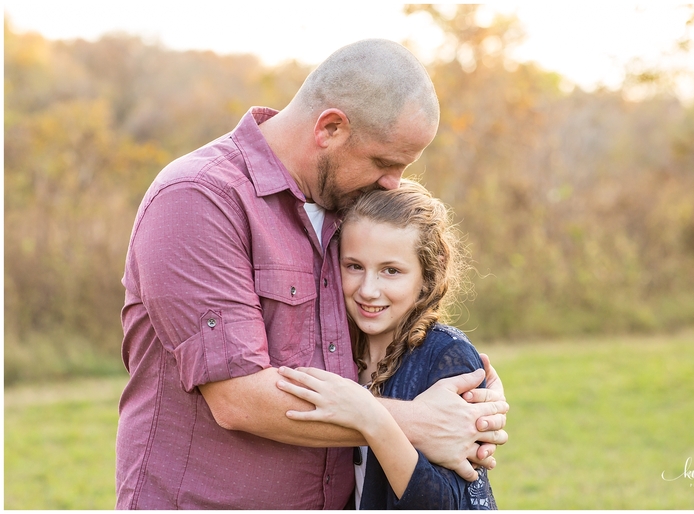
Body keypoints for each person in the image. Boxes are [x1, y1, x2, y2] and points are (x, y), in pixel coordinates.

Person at [116, 39, 508, 510]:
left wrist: (473, 400)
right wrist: (418, 422)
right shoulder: (199, 198)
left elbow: (390, 329)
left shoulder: (349, 206)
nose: (394, 183)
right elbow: (238, 398)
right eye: (385, 163)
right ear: (330, 128)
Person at [277, 180, 497, 509]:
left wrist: (370, 417)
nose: (368, 290)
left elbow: (441, 504)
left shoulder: (447, 357)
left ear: (428, 276)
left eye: (391, 271)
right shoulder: (336, 349)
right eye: (354, 266)